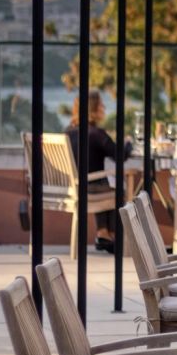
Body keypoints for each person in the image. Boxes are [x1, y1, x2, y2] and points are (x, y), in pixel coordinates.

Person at [65, 88, 132, 253]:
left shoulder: (68, 132)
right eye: (101, 105)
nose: (104, 108)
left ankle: (104, 234)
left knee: (105, 183)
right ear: (93, 110)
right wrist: (128, 143)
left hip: (70, 188)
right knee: (117, 191)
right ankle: (110, 235)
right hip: (88, 189)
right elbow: (120, 156)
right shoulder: (96, 133)